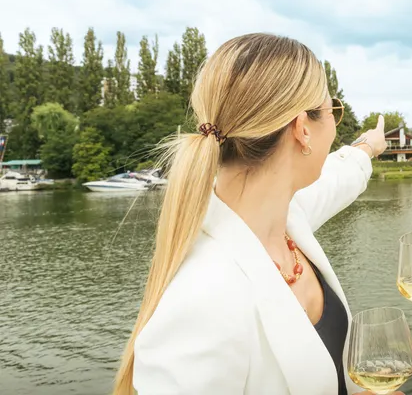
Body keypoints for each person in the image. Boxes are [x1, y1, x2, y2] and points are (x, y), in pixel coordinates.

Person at [112, 33, 396, 395]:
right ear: (302, 129)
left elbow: (339, 176)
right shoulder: (202, 301)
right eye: (332, 111)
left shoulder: (286, 215)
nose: (335, 123)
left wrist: (367, 147)